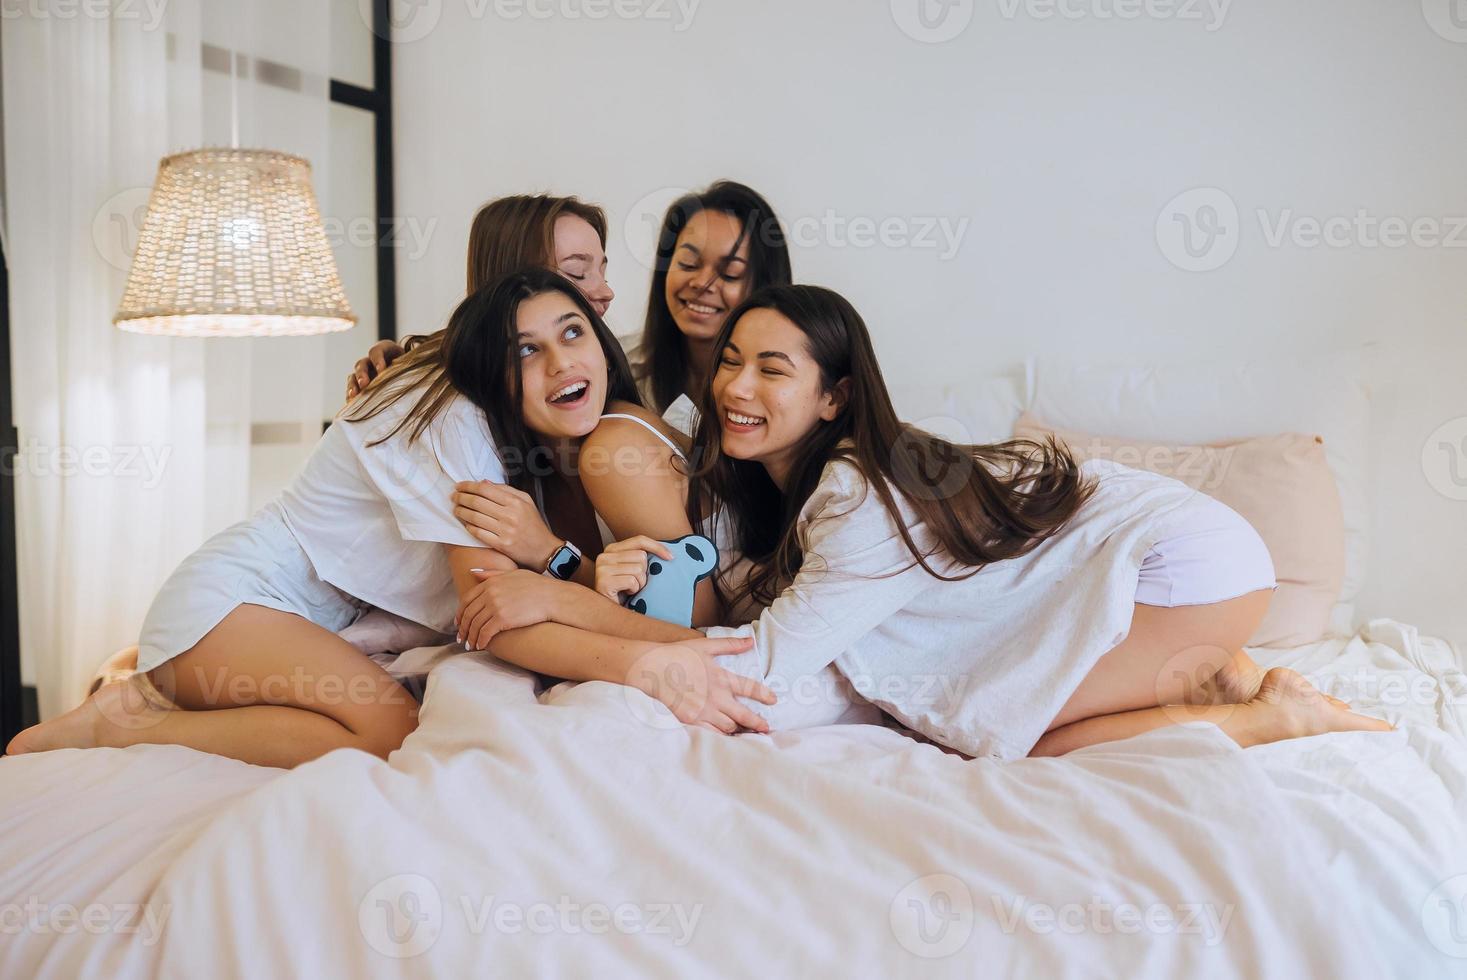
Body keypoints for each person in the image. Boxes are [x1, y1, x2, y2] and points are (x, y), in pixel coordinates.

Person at [451, 283, 1394, 757]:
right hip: (1181, 561)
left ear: (835, 398)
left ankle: (1278, 714)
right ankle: (1217, 675)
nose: (736, 388)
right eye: (731, 360)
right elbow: (732, 598)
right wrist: (571, 564)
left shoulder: (859, 494)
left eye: (773, 371)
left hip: (1184, 565)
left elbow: (762, 668)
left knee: (1026, 740)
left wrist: (557, 600)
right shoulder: (778, 483)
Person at [7, 270, 769, 767]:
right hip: (232, 604)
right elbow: (499, 617)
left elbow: (555, 587)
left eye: (575, 329)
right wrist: (660, 656)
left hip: (308, 627)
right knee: (389, 732)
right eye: (525, 348)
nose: (563, 358)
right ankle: (125, 725)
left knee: (391, 722)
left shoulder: (553, 441)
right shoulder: (448, 417)